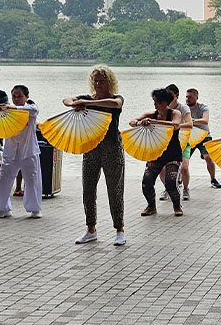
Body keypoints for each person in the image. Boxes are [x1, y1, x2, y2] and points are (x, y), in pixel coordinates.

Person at [64, 66, 126, 246]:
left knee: (114, 189)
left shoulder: (115, 99)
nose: (98, 84)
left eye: (102, 81)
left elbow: (115, 105)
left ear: (109, 82)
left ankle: (119, 229)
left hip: (112, 147)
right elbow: (66, 99)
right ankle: (91, 229)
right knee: (88, 189)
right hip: (91, 147)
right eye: (95, 81)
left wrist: (88, 104)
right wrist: (73, 104)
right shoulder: (86, 98)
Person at [0, 85, 43, 219]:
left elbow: (33, 110)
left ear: (26, 97)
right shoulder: (7, 111)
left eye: (19, 96)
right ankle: (3, 209)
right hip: (11, 149)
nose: (16, 99)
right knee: (5, 178)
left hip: (28, 149)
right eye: (14, 96)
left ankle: (35, 209)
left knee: (32, 179)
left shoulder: (30, 109)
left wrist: (13, 107)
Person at [134, 88, 184, 217]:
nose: (154, 104)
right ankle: (151, 206)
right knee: (147, 182)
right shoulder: (151, 114)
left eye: (156, 102)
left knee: (171, 182)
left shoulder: (175, 113)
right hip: (156, 153)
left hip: (173, 154)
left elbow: (175, 125)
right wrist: (140, 122)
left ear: (164, 103)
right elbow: (132, 122)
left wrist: (154, 122)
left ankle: (177, 206)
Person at [159, 84, 193, 201]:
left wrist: (175, 126)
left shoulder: (183, 108)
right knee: (162, 170)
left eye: (171, 95)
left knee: (184, 168)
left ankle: (185, 189)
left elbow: (190, 124)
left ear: (177, 95)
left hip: (182, 141)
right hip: (167, 142)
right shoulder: (163, 107)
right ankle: (168, 189)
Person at [183, 88, 220, 189]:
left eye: (190, 97)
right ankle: (179, 180)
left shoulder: (203, 107)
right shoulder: (183, 108)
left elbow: (205, 121)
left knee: (208, 157)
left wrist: (191, 121)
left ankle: (213, 179)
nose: (187, 99)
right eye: (186, 97)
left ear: (196, 97)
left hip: (204, 136)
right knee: (183, 160)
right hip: (190, 138)